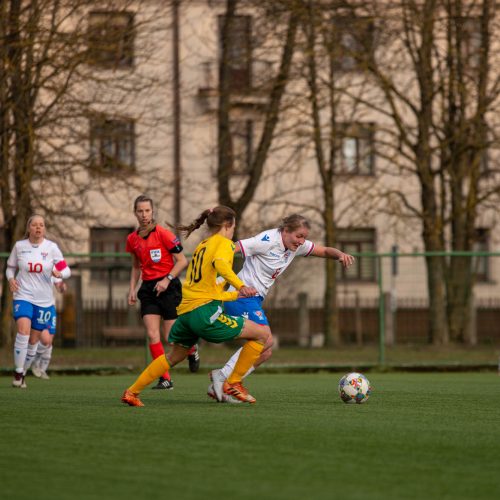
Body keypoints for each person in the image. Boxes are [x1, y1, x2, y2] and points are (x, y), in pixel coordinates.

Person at [121, 205, 270, 407]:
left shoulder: (203, 245)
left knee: (175, 356)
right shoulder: (224, 244)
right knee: (261, 334)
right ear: (227, 225)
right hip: (204, 313)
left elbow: (209, 289)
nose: (233, 230)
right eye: (233, 226)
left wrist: (237, 293)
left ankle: (132, 392)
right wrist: (241, 285)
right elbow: (222, 265)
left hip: (186, 312)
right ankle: (233, 383)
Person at [207, 214, 355, 402]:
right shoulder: (267, 240)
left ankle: (221, 385)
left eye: (304, 237)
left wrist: (340, 255)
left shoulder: (295, 246)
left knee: (266, 351)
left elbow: (324, 250)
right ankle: (224, 379)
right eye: (298, 236)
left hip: (254, 299)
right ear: (285, 231)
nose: (301, 241)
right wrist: (215, 269)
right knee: (266, 338)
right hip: (241, 295)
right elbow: (233, 247)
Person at [126, 194, 199, 391]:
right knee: (152, 334)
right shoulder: (132, 239)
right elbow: (135, 266)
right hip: (148, 289)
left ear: (152, 212)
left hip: (169, 288)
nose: (144, 215)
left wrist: (167, 280)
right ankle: (165, 379)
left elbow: (182, 261)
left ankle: (191, 348)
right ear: (135, 213)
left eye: (147, 211)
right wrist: (132, 288)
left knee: (172, 338)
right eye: (140, 211)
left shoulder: (163, 234)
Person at [6, 214, 71, 389]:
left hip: (44, 301)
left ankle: (25, 371)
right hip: (23, 295)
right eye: (34, 225)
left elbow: (66, 270)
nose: (38, 228)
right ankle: (18, 372)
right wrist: (11, 279)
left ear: (44, 228)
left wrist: (60, 274)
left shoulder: (51, 247)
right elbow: (10, 268)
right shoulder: (20, 246)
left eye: (41, 225)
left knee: (34, 341)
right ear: (29, 228)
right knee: (23, 331)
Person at [30, 278, 67, 380]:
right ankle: (35, 361)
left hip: (51, 307)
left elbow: (59, 286)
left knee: (49, 341)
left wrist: (62, 287)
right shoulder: (35, 267)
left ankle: (42, 369)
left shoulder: (52, 268)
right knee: (45, 340)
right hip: (39, 306)